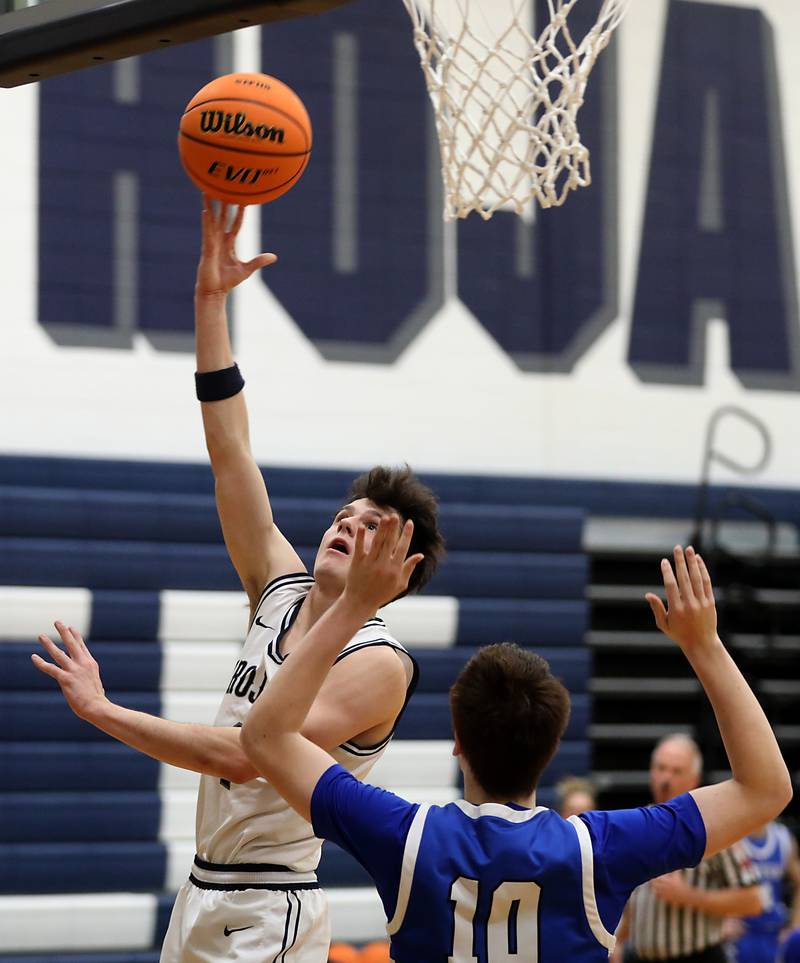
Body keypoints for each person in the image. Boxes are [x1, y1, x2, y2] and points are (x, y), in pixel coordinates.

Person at [31, 200, 445, 963]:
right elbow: (230, 451)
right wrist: (209, 301)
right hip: (203, 887)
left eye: (371, 525)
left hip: (267, 901)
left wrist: (103, 711)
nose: (347, 524)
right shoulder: (279, 585)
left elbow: (244, 754)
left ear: (398, 566)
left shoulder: (379, 664)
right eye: (345, 513)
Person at [239, 537, 792, 961]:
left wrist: (350, 607)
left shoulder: (404, 836)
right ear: (551, 749)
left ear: (458, 743)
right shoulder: (598, 851)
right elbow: (767, 788)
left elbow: (264, 735)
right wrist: (706, 647)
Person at [612, 733, 764, 963]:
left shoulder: (715, 827)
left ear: (694, 779)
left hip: (697, 956)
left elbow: (753, 900)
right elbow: (637, 900)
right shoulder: (638, 825)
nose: (666, 778)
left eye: (676, 771)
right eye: (661, 768)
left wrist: (689, 897)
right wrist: (619, 942)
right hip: (639, 955)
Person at [729, 821, 800, 962]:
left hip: (775, 932)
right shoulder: (731, 836)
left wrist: (794, 926)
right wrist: (723, 921)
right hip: (742, 932)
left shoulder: (783, 837)